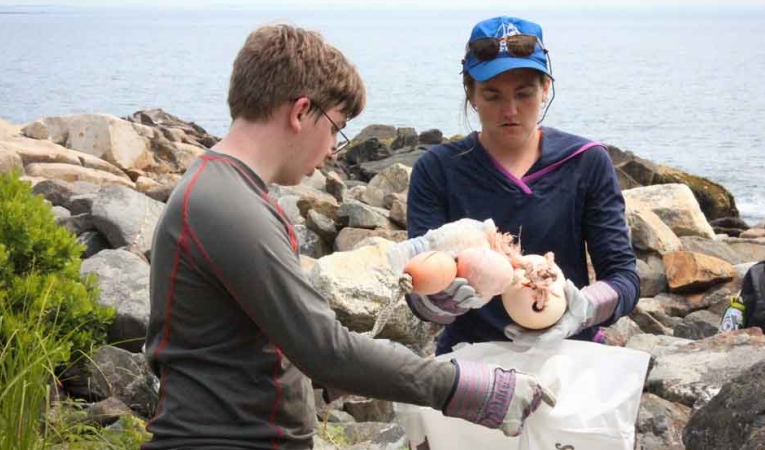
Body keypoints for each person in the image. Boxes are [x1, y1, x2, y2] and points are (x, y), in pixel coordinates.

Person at [142, 24, 552, 450]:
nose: (333, 150)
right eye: (337, 128)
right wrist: (466, 389)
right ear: (301, 112)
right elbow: (325, 350)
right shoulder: (228, 206)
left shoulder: (228, 192)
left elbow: (268, 344)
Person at [398, 16, 640, 356]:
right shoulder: (438, 169)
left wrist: (582, 309)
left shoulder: (585, 162)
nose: (509, 110)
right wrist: (442, 301)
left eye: (524, 93)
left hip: (570, 354)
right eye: (492, 95)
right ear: (471, 94)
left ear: (545, 89)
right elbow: (418, 294)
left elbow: (624, 278)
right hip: (471, 357)